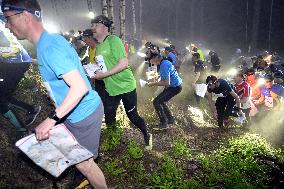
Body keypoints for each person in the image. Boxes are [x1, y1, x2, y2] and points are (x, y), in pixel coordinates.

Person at [1, 1, 107, 188]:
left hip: (84, 114)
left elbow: (79, 87)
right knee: (79, 161)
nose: (6, 25)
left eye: (8, 19)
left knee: (86, 165)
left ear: (25, 16)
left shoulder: (49, 46)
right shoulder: (47, 42)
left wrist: (51, 119)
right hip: (71, 113)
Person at [91, 15, 152, 150]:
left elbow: (123, 63)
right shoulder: (99, 47)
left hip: (126, 86)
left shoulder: (113, 40)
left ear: (104, 27)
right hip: (112, 89)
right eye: (92, 25)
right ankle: (113, 143)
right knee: (109, 116)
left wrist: (103, 75)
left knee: (133, 116)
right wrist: (93, 72)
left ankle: (147, 133)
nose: (92, 28)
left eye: (95, 25)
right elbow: (104, 67)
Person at [147, 53, 182, 129]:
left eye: (151, 60)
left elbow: (166, 82)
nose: (151, 62)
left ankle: (164, 123)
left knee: (156, 102)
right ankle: (171, 119)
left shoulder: (164, 65)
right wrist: (155, 79)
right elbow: (164, 77)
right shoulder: (164, 62)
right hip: (174, 86)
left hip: (174, 87)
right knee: (161, 101)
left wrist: (153, 83)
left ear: (156, 58)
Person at [82, 29, 106, 105]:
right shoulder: (89, 49)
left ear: (90, 38)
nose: (84, 42)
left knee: (104, 98)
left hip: (104, 78)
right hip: (96, 77)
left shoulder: (100, 48)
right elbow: (91, 61)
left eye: (85, 39)